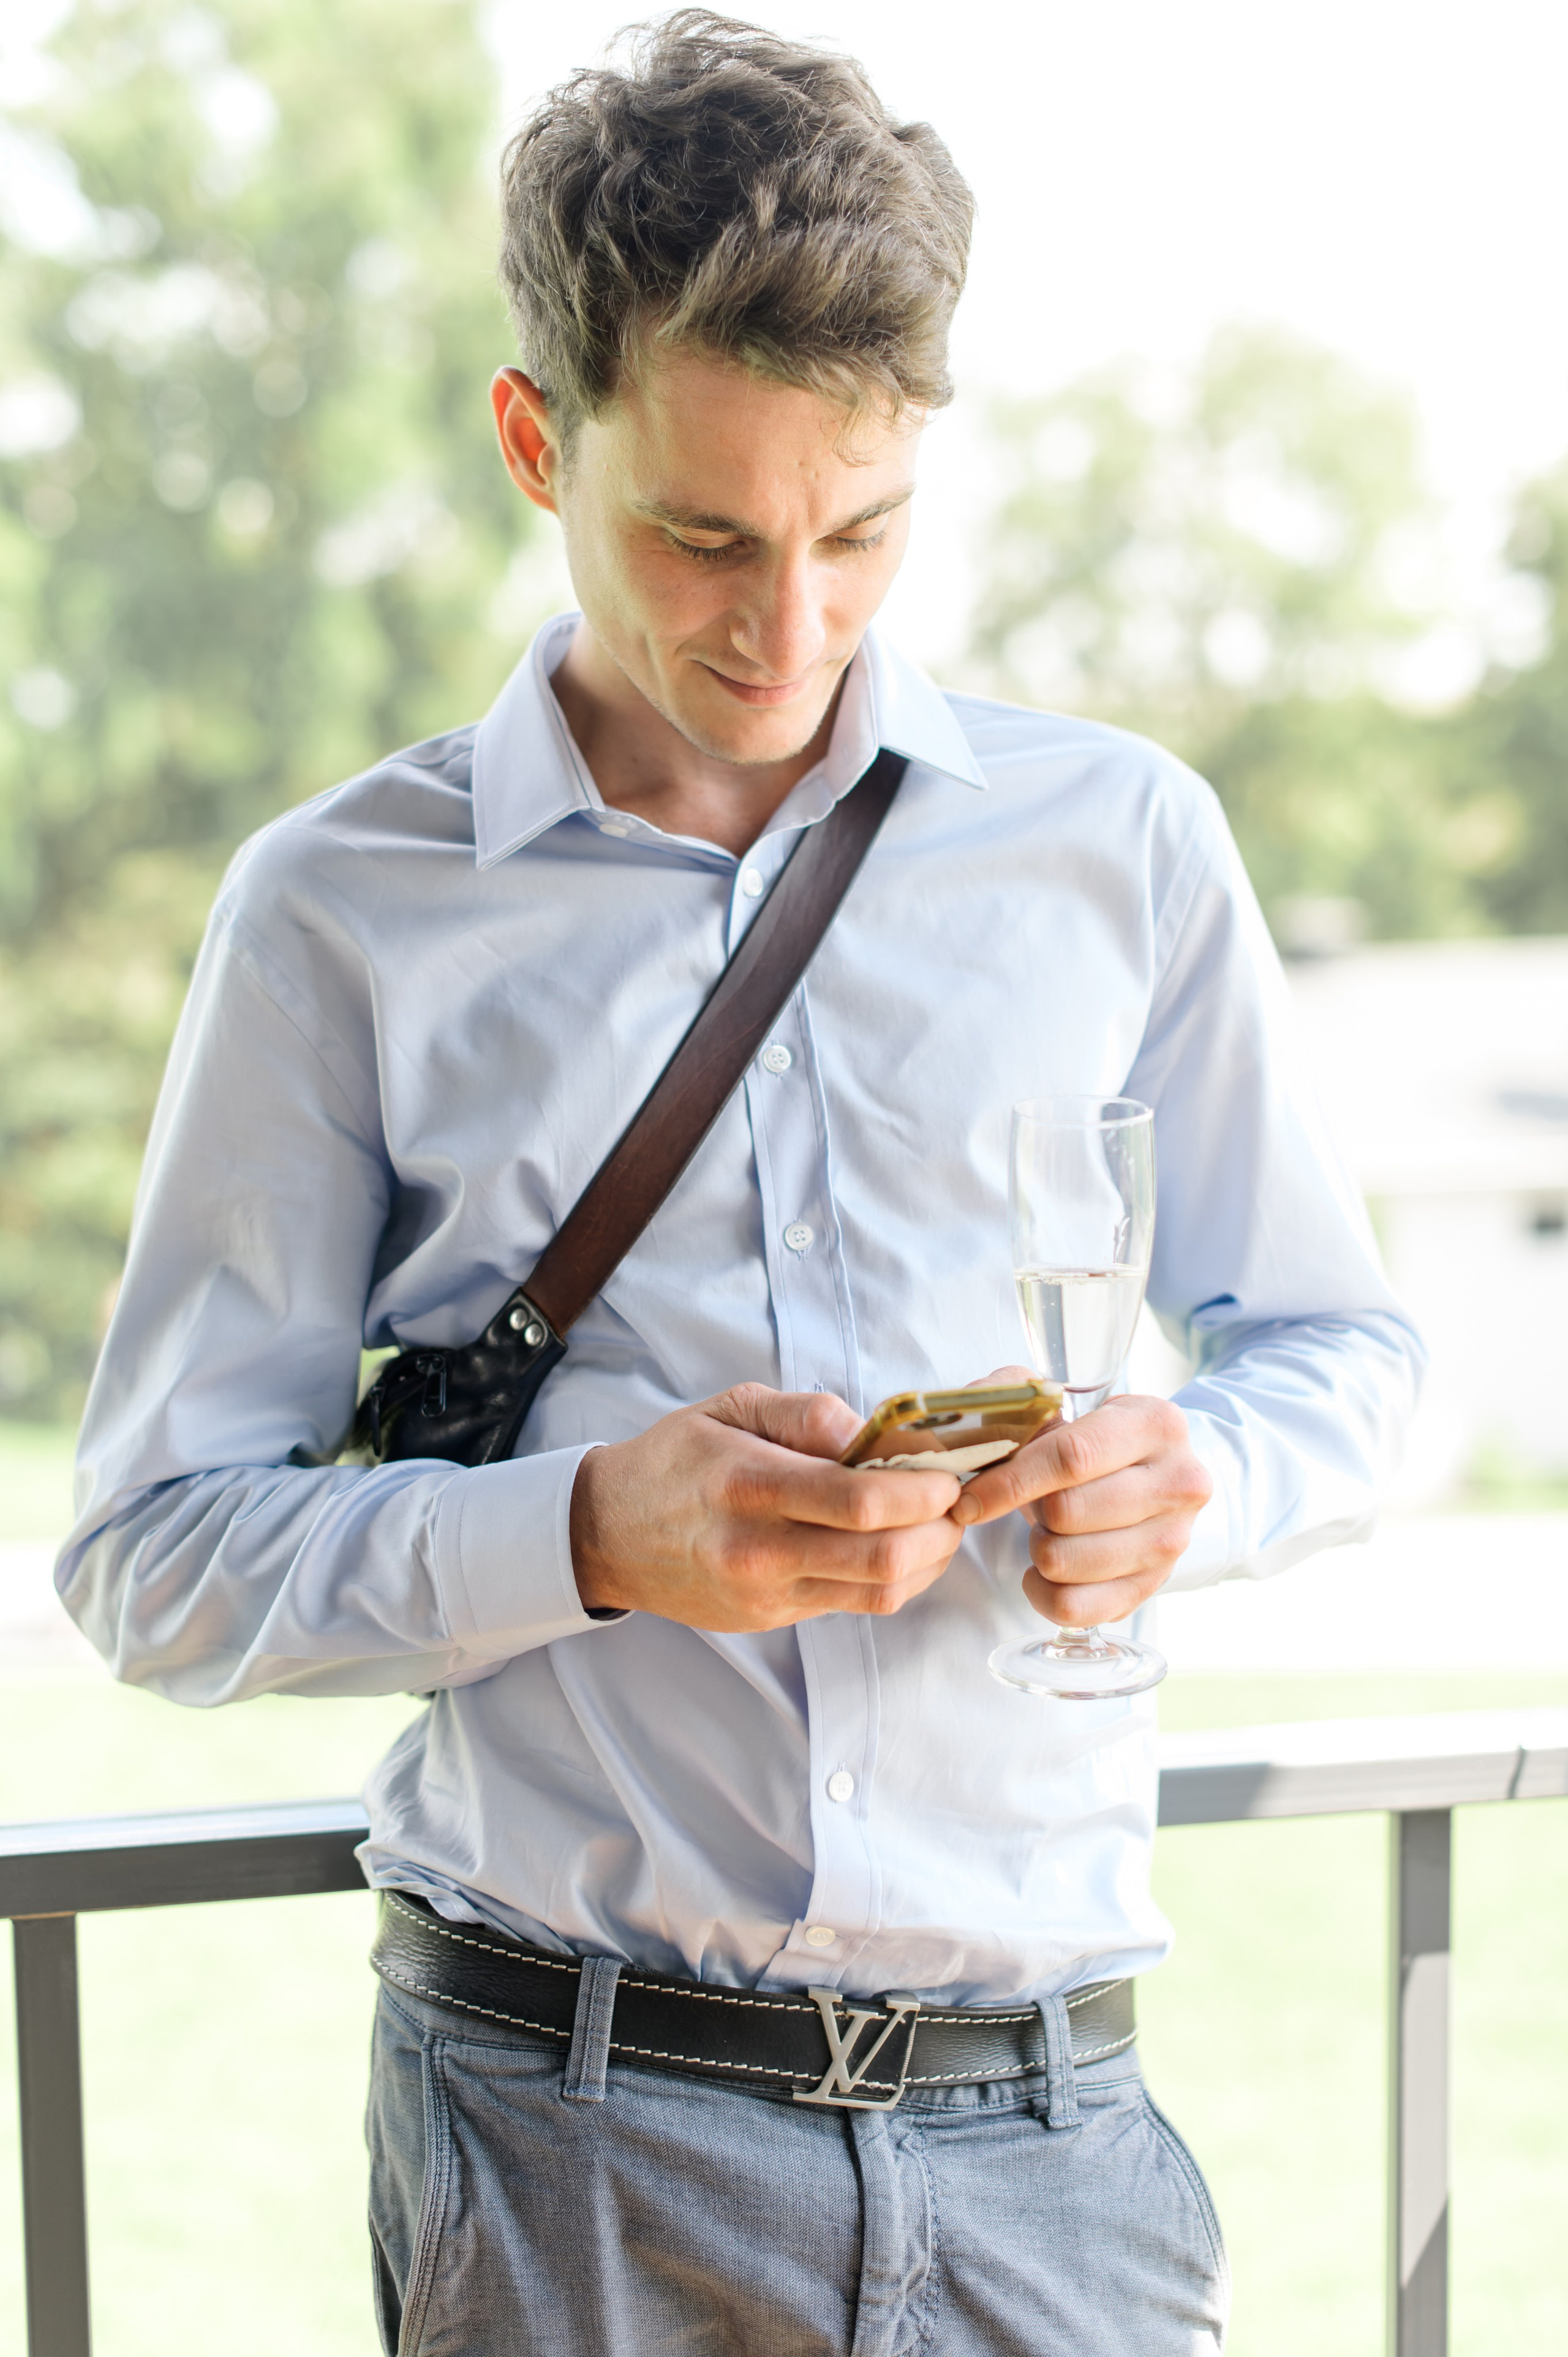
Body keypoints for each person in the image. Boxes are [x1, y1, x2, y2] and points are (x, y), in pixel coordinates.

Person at [59, 12, 1422, 2353]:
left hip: (1060, 2158)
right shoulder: (339, 912)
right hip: (569, 2149)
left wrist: (1208, 1475)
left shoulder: (1122, 846)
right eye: (702, 533)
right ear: (530, 441)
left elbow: (1353, 1361)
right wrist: (592, 1543)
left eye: (861, 531)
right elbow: (154, 1558)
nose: (787, 630)